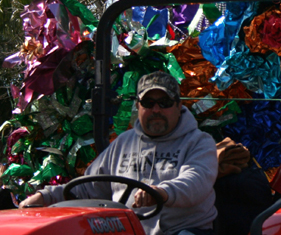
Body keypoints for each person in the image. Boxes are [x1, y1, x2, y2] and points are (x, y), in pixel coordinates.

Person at [19, 71, 218, 235]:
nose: (156, 109)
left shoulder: (199, 142)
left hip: (181, 229)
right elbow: (87, 188)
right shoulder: (124, 143)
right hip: (127, 229)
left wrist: (161, 192)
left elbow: (195, 182)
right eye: (148, 103)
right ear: (138, 105)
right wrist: (44, 197)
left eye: (164, 102)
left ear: (178, 105)